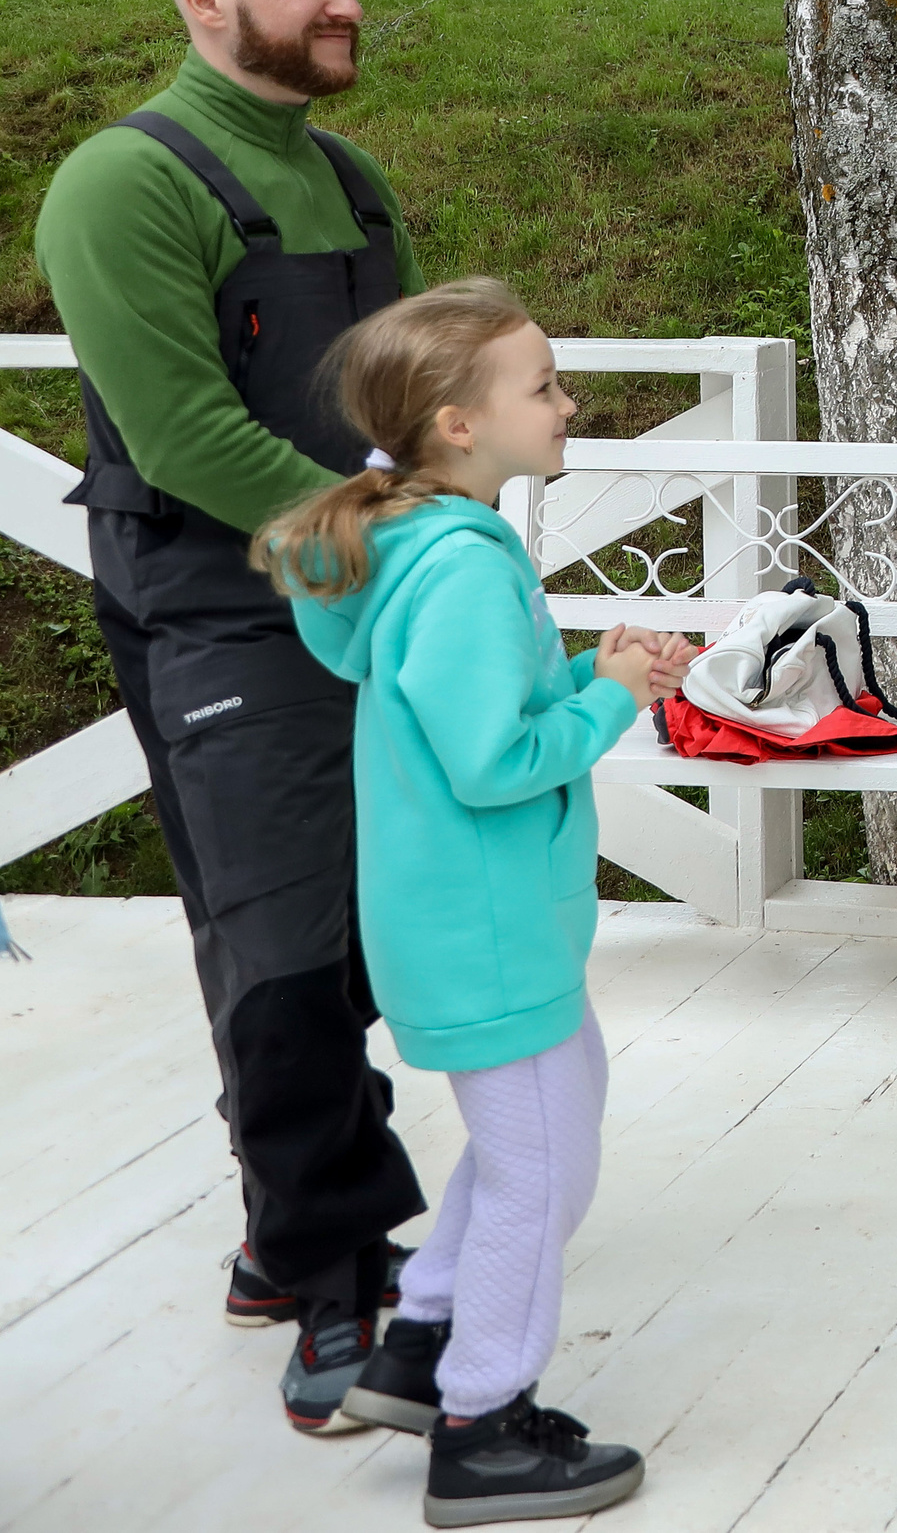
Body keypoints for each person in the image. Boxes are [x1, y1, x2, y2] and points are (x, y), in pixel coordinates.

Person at [34, 0, 431, 1425]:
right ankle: (336, 1283)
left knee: (367, 925)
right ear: (206, 3)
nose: (345, 2)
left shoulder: (350, 178)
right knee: (279, 940)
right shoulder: (122, 181)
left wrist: (444, 518)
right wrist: (399, 538)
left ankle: (279, 1232)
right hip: (218, 608)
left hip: (371, 596)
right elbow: (187, 434)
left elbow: (410, 396)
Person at [256, 278, 690, 1526]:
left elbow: (471, 705)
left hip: (482, 923)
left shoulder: (430, 547)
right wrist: (612, 701)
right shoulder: (457, 569)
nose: (568, 405)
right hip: (483, 930)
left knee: (541, 1140)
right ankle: (483, 1426)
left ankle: (419, 1349)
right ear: (459, 425)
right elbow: (491, 763)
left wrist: (592, 669)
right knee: (541, 1176)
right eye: (543, 386)